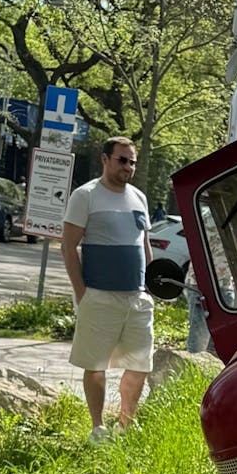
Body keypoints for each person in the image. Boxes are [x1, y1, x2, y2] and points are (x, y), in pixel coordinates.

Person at [62, 136, 154, 443]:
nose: (128, 167)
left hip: (137, 298)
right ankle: (97, 427)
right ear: (105, 160)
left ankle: (126, 423)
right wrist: (81, 292)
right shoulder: (85, 195)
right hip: (99, 296)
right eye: (122, 160)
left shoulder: (139, 197)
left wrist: (150, 287)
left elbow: (145, 244)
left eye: (132, 162)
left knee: (140, 364)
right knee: (96, 364)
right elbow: (68, 245)